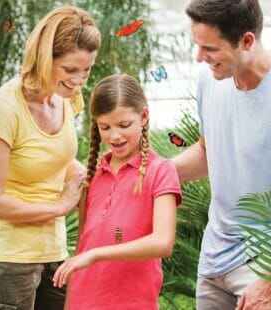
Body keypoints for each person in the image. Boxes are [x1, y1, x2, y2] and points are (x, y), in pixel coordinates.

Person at [0, 6, 101, 310]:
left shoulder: (65, 98)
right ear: (43, 57)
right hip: (3, 261)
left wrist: (105, 177)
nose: (79, 80)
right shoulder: (5, 107)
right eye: (70, 69)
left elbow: (55, 159)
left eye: (87, 69)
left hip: (52, 253)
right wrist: (60, 206)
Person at [172, 0, 271, 309]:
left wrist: (269, 281)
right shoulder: (210, 79)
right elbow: (208, 151)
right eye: (198, 45)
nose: (200, 57)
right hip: (214, 260)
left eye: (210, 49)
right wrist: (147, 170)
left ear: (246, 41)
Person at [52, 74, 183, 309]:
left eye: (124, 125)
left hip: (132, 301)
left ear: (143, 117)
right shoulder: (92, 175)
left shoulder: (161, 171)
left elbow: (163, 242)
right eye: (105, 127)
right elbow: (83, 244)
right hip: (84, 300)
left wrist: (96, 255)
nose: (114, 136)